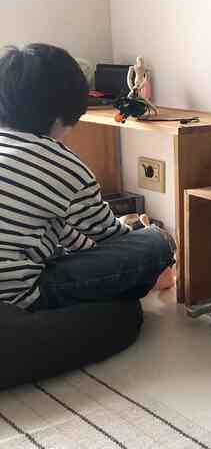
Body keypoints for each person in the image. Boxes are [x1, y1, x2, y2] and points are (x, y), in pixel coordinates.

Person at [0, 44, 174, 310]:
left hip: (15, 271)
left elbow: (57, 226)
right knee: (155, 241)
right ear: (65, 111)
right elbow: (114, 238)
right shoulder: (60, 164)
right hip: (18, 297)